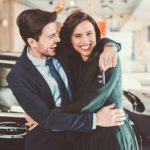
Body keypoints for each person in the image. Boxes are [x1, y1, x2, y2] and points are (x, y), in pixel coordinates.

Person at [6, 9, 124, 150]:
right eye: (51, 36)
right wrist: (96, 119)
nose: (57, 39)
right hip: (48, 144)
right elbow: (48, 119)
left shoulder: (61, 49)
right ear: (32, 42)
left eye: (56, 33)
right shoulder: (18, 77)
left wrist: (110, 46)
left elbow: (87, 41)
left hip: (80, 140)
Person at [56, 11, 138, 150]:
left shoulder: (109, 59)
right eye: (77, 36)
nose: (85, 41)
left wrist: (51, 116)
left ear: (96, 34)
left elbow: (91, 102)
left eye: (89, 34)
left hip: (110, 134)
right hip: (87, 132)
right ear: (70, 39)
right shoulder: (74, 62)